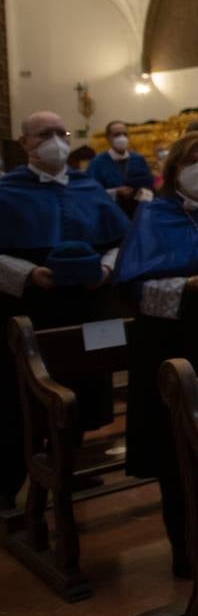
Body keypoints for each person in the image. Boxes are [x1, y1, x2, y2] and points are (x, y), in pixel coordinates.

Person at [113, 132, 198, 577]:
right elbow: (134, 288)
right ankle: (187, 545)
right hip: (172, 343)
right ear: (173, 170)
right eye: (192, 160)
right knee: (178, 448)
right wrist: (192, 285)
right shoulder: (153, 215)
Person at [0, 111, 129, 509]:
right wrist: (29, 273)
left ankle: (66, 467)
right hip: (31, 307)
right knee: (21, 399)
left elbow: (122, 238)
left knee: (80, 392)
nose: (56, 140)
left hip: (85, 305)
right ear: (25, 144)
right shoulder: (6, 191)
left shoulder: (88, 186)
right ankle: (8, 484)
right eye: (45, 134)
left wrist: (106, 267)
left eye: (62, 133)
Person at [87, 119, 156, 216]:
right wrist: (115, 192)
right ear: (108, 138)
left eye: (125, 134)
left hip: (137, 214)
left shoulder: (138, 159)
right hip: (111, 215)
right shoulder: (97, 163)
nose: (122, 138)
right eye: (117, 135)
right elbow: (91, 193)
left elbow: (150, 187)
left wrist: (140, 193)